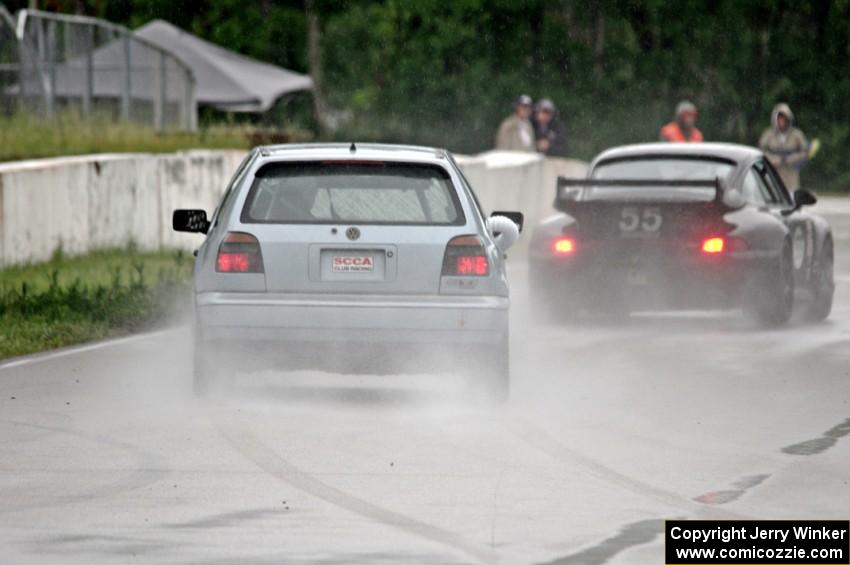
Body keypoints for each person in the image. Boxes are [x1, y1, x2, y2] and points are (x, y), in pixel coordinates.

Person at [759, 103, 809, 191]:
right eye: (780, 118)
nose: (782, 121)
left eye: (784, 118)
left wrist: (789, 159)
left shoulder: (797, 135)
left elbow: (805, 152)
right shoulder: (768, 135)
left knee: (791, 198)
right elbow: (760, 152)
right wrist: (771, 159)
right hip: (773, 175)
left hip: (791, 176)